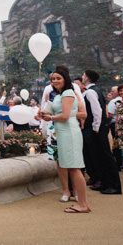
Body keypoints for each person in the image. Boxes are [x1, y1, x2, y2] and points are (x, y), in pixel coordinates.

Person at [39, 66, 90, 213]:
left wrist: (51, 117)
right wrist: (43, 115)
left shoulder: (68, 93)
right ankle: (81, 202)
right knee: (71, 167)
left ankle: (83, 204)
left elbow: (66, 116)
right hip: (62, 133)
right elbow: (52, 112)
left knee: (74, 168)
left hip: (69, 132)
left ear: (65, 79)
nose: (55, 81)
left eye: (58, 78)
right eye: (53, 79)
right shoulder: (58, 94)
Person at [81, 70, 121, 194]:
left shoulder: (90, 92)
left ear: (87, 78)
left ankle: (114, 185)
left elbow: (97, 111)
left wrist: (96, 127)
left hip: (97, 128)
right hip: (98, 127)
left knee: (105, 156)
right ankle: (105, 183)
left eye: (83, 75)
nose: (82, 77)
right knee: (99, 156)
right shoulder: (93, 90)